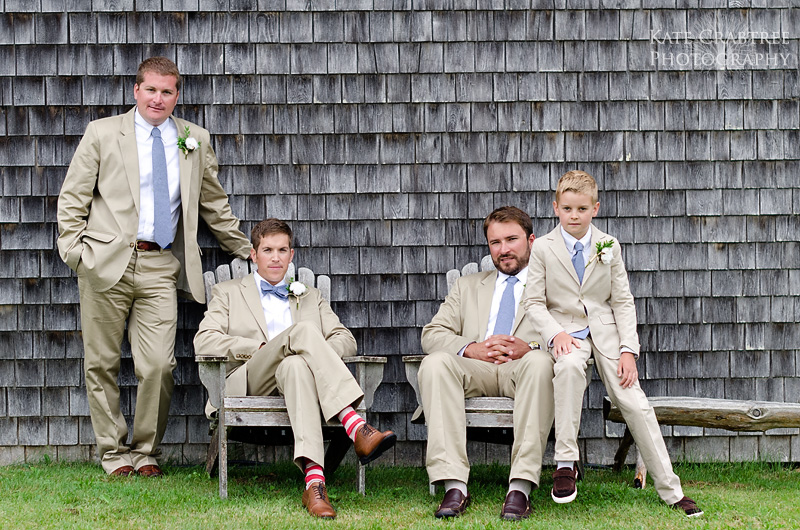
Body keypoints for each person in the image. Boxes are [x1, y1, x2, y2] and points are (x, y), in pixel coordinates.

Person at [56, 57, 253, 477]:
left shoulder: (194, 139)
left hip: (161, 264)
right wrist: (76, 253)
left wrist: (246, 249)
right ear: (136, 91)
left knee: (158, 366)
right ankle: (113, 455)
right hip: (104, 261)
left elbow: (212, 203)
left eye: (167, 92)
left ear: (176, 95)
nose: (158, 99)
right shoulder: (103, 133)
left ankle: (145, 452)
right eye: (151, 90)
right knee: (101, 363)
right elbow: (73, 197)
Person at [522, 170, 702, 517]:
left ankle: (672, 490)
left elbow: (622, 301)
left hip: (607, 335)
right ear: (556, 207)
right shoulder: (543, 247)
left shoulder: (609, 245)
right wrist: (555, 334)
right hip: (565, 334)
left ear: (595, 208)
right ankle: (565, 463)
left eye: (582, 209)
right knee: (570, 369)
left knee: (635, 403)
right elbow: (533, 303)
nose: (575, 216)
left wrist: (628, 351)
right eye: (568, 208)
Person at [194, 218, 396, 519]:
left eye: (282, 250)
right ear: (254, 254)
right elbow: (204, 341)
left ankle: (314, 486)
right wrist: (256, 349)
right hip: (250, 379)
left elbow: (345, 340)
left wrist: (315, 356)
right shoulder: (228, 292)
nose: (275, 257)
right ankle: (354, 424)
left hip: (296, 379)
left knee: (297, 366)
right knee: (301, 332)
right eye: (268, 250)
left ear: (291, 255)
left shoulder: (309, 295)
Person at [417, 206, 555, 521]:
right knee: (436, 363)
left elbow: (572, 336)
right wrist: (470, 348)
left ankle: (520, 487)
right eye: (495, 242)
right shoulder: (468, 286)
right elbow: (433, 334)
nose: (503, 250)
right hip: (476, 370)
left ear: (531, 240)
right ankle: (454, 486)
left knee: (539, 364)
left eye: (511, 240)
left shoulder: (551, 285)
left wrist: (530, 345)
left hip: (523, 368)